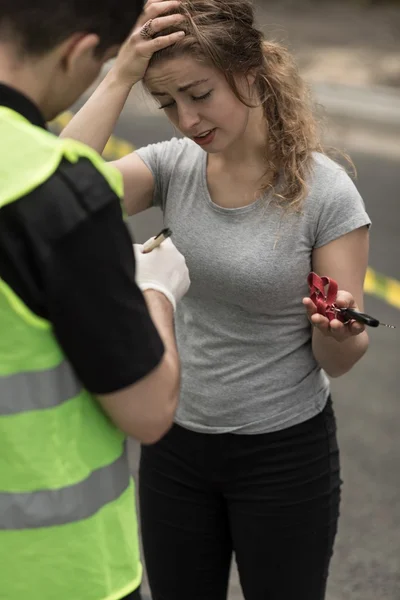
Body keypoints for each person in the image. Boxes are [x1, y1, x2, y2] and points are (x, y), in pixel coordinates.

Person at [61, 0, 371, 598]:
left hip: (283, 454)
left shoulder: (325, 194)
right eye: (169, 103)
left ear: (250, 73)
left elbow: (339, 355)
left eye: (199, 93)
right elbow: (59, 191)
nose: (186, 119)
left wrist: (339, 333)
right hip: (176, 443)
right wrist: (121, 73)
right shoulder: (172, 166)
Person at [0, 2, 190, 600]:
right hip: (50, 570)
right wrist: (157, 289)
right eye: (100, 60)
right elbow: (149, 410)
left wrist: (118, 73)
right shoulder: (58, 195)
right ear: (79, 51)